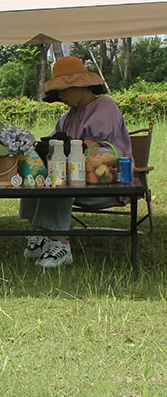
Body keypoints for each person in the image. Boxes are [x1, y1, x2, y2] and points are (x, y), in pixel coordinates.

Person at [20, 56, 132, 269]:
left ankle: (60, 243)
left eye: (63, 90)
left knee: (60, 183)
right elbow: (58, 146)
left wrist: (66, 146)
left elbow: (91, 146)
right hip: (77, 179)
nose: (60, 96)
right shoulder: (68, 117)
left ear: (78, 86)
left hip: (106, 183)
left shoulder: (105, 107)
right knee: (38, 179)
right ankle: (38, 234)